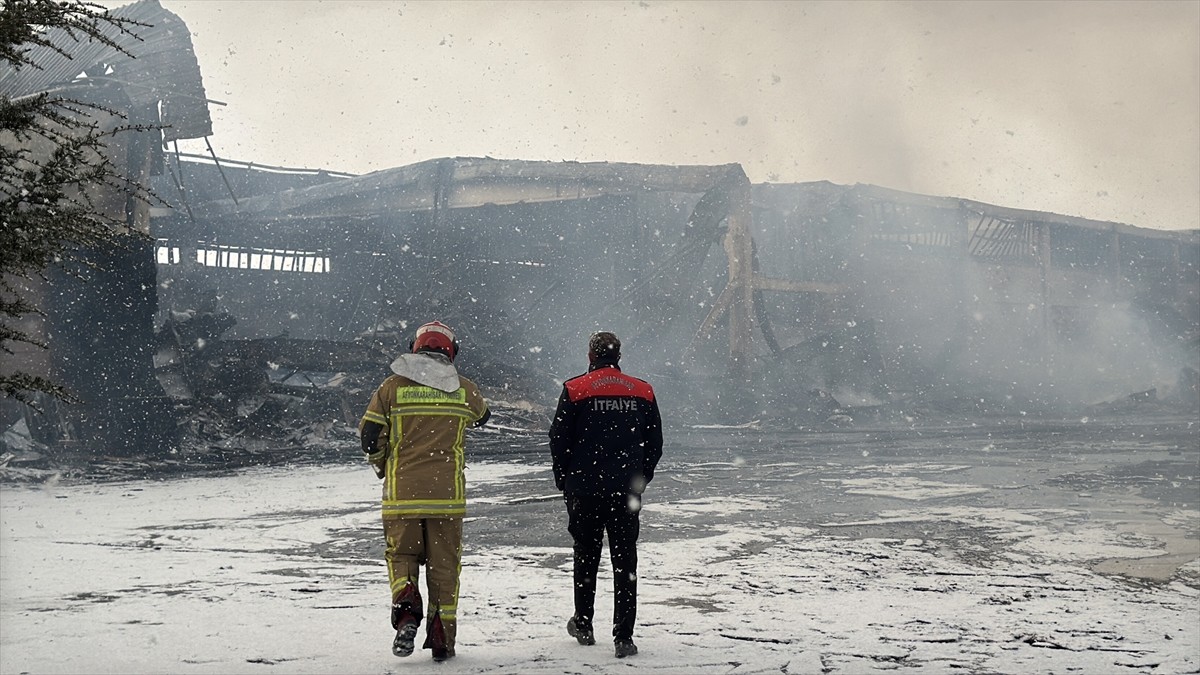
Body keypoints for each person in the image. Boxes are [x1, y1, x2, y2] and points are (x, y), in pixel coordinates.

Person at [359, 321, 489, 662]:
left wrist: (382, 464)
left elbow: (370, 435)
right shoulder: (465, 389)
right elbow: (483, 417)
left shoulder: (391, 388)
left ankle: (406, 612)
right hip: (447, 497)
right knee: (445, 568)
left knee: (401, 557)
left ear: (414, 348)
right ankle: (442, 638)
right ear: (452, 351)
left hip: (402, 495)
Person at [549, 330, 663, 658]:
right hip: (625, 490)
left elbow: (558, 439)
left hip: (584, 489)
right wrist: (640, 478)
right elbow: (654, 442)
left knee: (586, 555)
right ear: (619, 356)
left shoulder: (575, 389)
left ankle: (583, 622)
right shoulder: (642, 391)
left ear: (590, 356)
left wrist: (565, 479)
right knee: (624, 560)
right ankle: (623, 636)